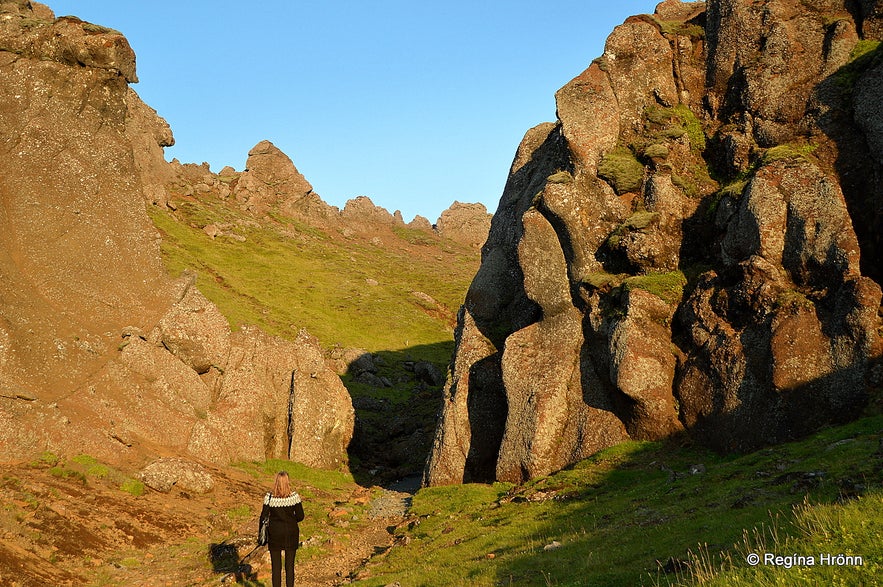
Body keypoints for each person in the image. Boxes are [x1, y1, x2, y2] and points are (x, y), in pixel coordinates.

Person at [259, 471, 305, 587]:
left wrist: (261, 535)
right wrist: (291, 521)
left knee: (276, 568)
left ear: (276, 482)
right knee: (289, 567)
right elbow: (300, 516)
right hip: (291, 532)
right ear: (288, 481)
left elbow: (263, 517)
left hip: (275, 533)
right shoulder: (294, 496)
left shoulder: (269, 497)